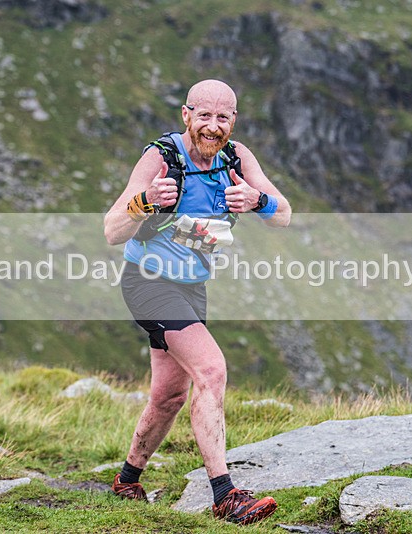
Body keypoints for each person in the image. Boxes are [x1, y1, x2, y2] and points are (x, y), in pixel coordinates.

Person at [103, 79, 291, 525]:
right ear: (186, 115)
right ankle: (225, 495)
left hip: (191, 287)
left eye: (222, 117)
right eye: (203, 115)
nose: (212, 125)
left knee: (170, 394)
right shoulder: (161, 157)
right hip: (148, 281)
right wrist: (146, 202)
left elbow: (283, 214)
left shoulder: (236, 158)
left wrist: (257, 200)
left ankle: (127, 480)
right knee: (211, 370)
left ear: (233, 121)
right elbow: (111, 230)